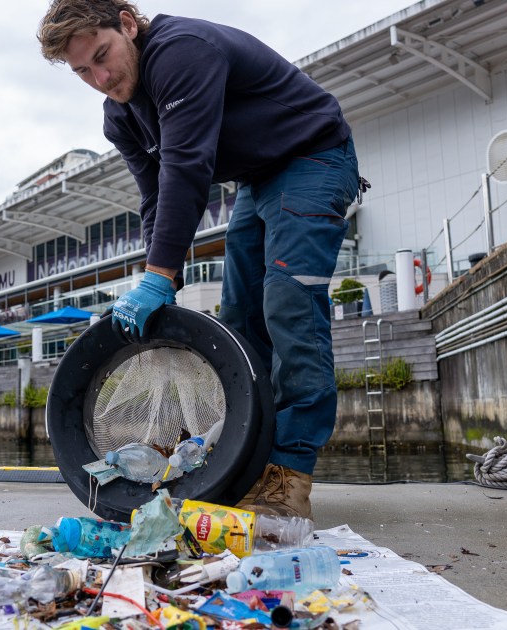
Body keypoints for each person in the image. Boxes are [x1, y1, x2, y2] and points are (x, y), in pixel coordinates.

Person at [39, 0, 364, 519]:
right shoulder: (119, 115)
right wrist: (161, 281)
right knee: (238, 322)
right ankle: (249, 465)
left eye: (103, 56)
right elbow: (155, 197)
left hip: (314, 157)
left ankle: (287, 480)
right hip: (259, 182)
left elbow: (188, 167)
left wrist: (158, 275)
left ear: (128, 23)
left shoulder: (180, 52)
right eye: (83, 71)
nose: (100, 77)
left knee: (288, 305)